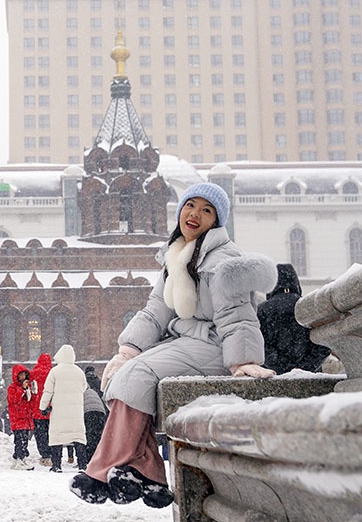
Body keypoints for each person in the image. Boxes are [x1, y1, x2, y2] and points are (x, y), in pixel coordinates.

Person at [71, 183, 278, 509]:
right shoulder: (178, 256)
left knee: (138, 375)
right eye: (190, 205)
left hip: (213, 346)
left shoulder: (222, 261)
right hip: (184, 342)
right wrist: (127, 348)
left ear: (216, 221)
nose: (194, 214)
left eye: (206, 210)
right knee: (120, 376)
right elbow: (155, 311)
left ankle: (103, 470)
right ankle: (149, 474)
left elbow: (237, 317)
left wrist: (243, 360)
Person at [258, 263, 332, 374]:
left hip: (272, 376)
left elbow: (259, 344)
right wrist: (306, 367)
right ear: (295, 282)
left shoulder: (263, 309)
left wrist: (282, 366)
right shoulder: (308, 306)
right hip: (310, 376)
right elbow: (324, 343)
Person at [38, 344, 87, 473]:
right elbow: (84, 388)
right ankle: (82, 465)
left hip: (59, 410)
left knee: (57, 437)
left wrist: (43, 407)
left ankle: (57, 465)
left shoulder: (55, 371)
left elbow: (48, 391)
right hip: (76, 411)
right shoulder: (79, 371)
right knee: (78, 437)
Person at [6, 363, 35, 470]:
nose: (23, 377)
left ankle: (17, 459)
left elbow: (31, 402)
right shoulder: (12, 388)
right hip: (18, 419)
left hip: (25, 418)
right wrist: (21, 390)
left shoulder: (28, 387)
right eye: (21, 375)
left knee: (24, 440)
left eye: (24, 375)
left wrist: (32, 393)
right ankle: (20, 459)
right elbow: (13, 400)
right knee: (20, 441)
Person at [81, 368, 107, 469]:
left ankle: (88, 457)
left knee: (88, 434)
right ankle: (98, 457)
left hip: (88, 411)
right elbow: (102, 394)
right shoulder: (98, 381)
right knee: (98, 435)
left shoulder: (84, 383)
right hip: (100, 410)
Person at [30, 352, 53, 465]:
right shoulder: (53, 373)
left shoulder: (34, 373)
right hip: (51, 409)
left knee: (40, 434)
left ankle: (44, 455)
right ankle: (52, 454)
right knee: (51, 433)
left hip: (37, 409)